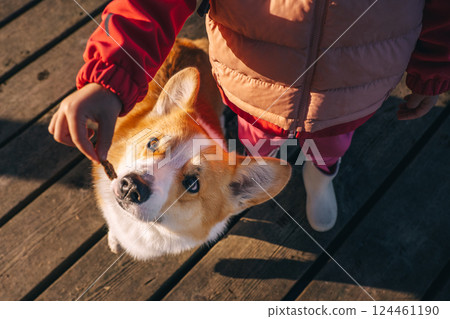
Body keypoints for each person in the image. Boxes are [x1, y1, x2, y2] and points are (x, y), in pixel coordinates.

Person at [49, 0, 450, 231]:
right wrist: (111, 74)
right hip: (254, 92)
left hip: (349, 97)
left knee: (329, 144)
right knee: (261, 148)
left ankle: (321, 172)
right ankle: (295, 160)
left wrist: (433, 69)